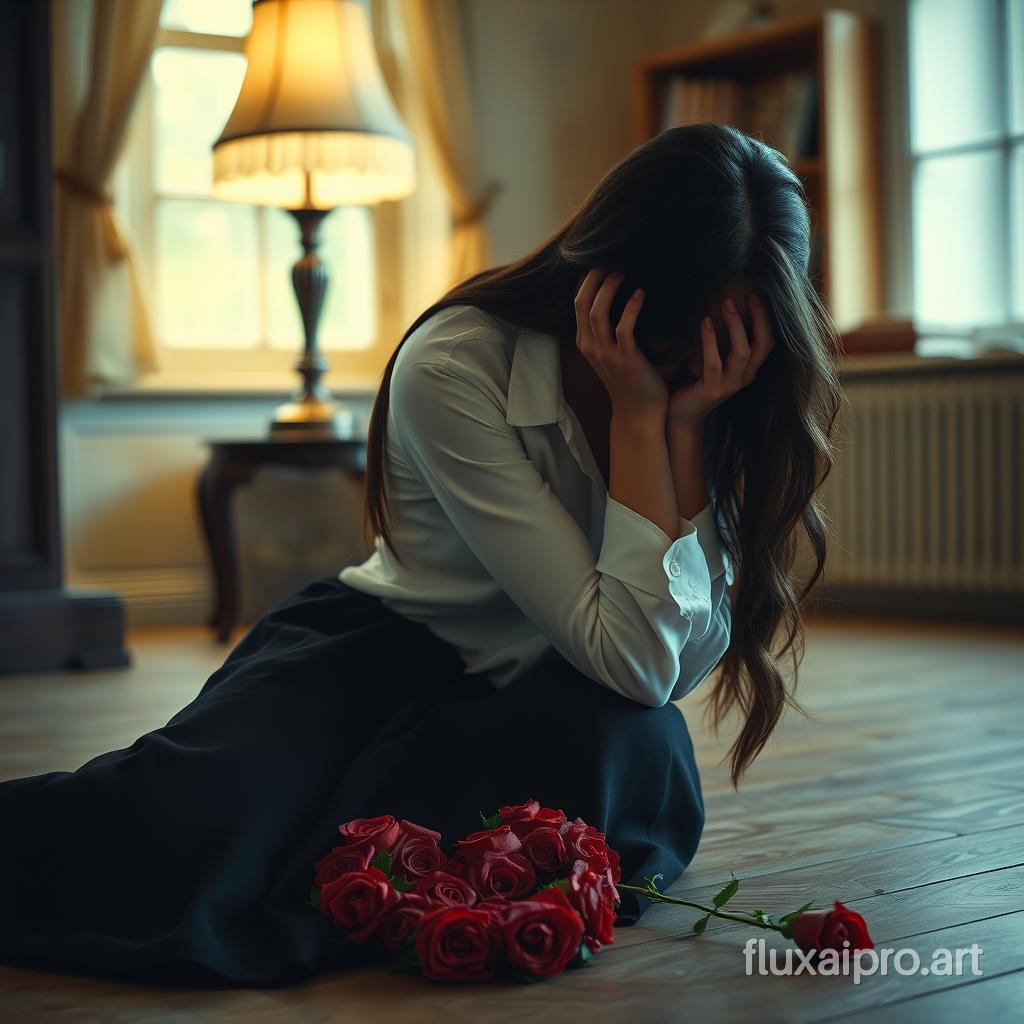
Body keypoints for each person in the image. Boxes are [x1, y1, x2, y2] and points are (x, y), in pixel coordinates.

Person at [0, 123, 842, 986]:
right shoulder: (458, 363)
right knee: (182, 820)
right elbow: (637, 654)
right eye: (671, 342)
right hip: (385, 646)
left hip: (563, 687)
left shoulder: (727, 393)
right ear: (606, 284)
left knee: (617, 748)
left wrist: (681, 430)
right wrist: (639, 417)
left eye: (720, 349)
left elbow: (650, 666)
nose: (689, 368)